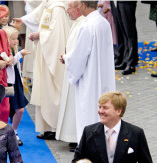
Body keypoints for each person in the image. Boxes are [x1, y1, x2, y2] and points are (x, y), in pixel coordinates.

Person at [13, 0, 70, 140]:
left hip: (52, 58)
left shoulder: (58, 8)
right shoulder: (48, 4)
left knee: (52, 90)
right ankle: (48, 128)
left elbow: (57, 34)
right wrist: (23, 19)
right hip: (45, 56)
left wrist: (40, 35)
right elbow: (37, 15)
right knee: (45, 90)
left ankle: (56, 127)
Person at [60, 1, 115, 143]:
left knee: (88, 115)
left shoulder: (86, 26)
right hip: (104, 76)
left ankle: (89, 148)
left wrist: (66, 58)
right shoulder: (103, 22)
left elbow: (79, 56)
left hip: (90, 81)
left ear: (83, 5)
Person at [55, 0, 85, 151]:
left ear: (78, 9)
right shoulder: (77, 23)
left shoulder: (83, 24)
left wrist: (67, 57)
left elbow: (80, 50)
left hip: (78, 72)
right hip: (71, 67)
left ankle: (76, 137)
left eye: (70, 9)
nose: (67, 11)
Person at [3, 26, 30, 146]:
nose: (16, 41)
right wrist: (20, 54)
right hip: (8, 84)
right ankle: (5, 133)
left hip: (16, 81)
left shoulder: (14, 49)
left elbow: (16, 67)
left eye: (16, 38)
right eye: (13, 39)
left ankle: (14, 131)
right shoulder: (4, 51)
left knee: (19, 109)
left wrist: (21, 78)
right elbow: (10, 62)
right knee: (6, 109)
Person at [111, 1, 138, 75]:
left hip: (126, 2)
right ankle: (126, 60)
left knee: (129, 32)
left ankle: (131, 63)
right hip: (119, 2)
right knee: (123, 32)